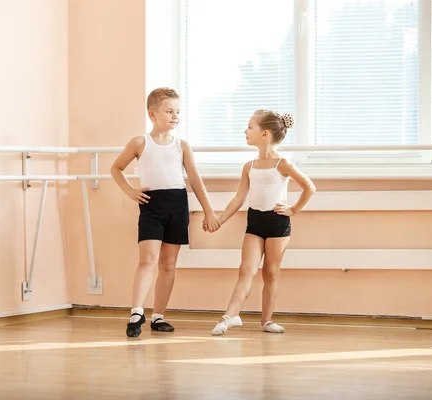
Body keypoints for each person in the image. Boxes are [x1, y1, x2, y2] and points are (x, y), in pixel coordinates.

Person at [111, 87, 221, 337]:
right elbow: (116, 168)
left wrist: (209, 211)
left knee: (168, 263)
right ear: (152, 114)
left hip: (177, 204)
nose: (175, 116)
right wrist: (130, 191)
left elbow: (195, 179)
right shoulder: (140, 142)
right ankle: (136, 312)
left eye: (178, 111)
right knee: (147, 259)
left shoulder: (182, 146)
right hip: (152, 205)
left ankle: (158, 315)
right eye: (169, 111)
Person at [206, 110, 316, 336]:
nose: (245, 131)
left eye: (249, 127)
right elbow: (239, 198)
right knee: (246, 270)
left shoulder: (282, 164)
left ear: (264, 133)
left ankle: (267, 320)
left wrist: (293, 209)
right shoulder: (249, 166)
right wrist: (220, 220)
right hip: (254, 221)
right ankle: (230, 316)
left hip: (278, 224)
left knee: (271, 273)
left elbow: (309, 187)